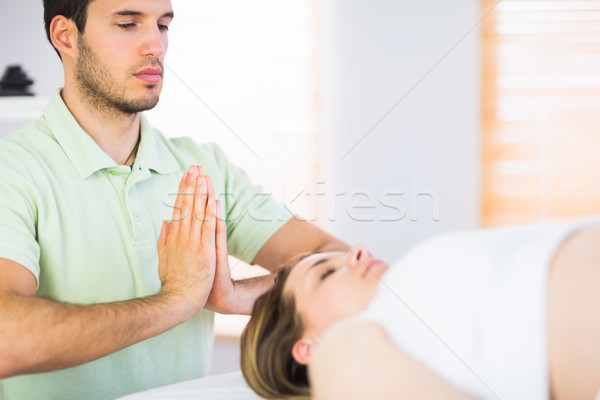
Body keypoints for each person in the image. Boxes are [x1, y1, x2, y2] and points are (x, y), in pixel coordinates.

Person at [0, 0, 347, 399]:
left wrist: (235, 296)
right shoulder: (12, 172)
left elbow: (341, 262)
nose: (156, 46)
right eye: (129, 24)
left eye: (163, 26)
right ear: (66, 36)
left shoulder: (202, 166)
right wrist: (176, 301)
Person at [241, 218, 600, 400]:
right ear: (308, 347)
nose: (358, 251)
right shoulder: (337, 355)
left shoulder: (395, 322)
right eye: (328, 272)